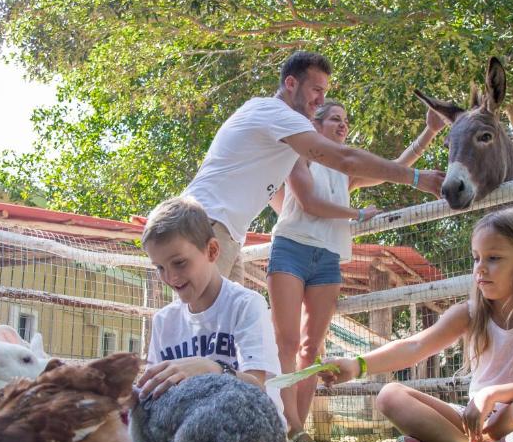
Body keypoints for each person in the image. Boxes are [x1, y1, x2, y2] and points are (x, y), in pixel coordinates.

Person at [318, 208, 513, 442]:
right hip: (476, 423)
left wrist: (491, 394)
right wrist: (357, 365)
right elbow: (415, 346)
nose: (480, 269)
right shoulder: (470, 313)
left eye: (494, 258)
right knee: (389, 395)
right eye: (476, 258)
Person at [267, 100, 448, 442]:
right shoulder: (297, 153)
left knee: (310, 348)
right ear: (316, 126)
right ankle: (283, 424)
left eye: (345, 120)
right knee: (285, 343)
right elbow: (308, 202)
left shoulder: (345, 173)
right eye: (335, 118)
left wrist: (430, 130)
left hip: (328, 259)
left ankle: (297, 434)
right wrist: (357, 213)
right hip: (291, 249)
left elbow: (397, 167)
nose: (342, 125)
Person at [181, 50, 445, 284]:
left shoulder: (284, 138)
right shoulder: (279, 117)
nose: (321, 99)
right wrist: (413, 180)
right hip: (210, 223)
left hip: (229, 234)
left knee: (224, 331)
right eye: (316, 90)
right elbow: (342, 162)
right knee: (198, 327)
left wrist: (429, 133)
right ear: (291, 83)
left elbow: (370, 165)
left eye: (325, 92)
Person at [104, 196, 283, 442]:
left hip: (246, 427)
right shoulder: (165, 320)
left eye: (179, 263)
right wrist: (131, 397)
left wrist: (212, 369)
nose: (170, 278)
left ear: (212, 251)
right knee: (101, 424)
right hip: (187, 427)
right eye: (160, 267)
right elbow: (154, 393)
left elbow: (258, 388)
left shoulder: (247, 305)